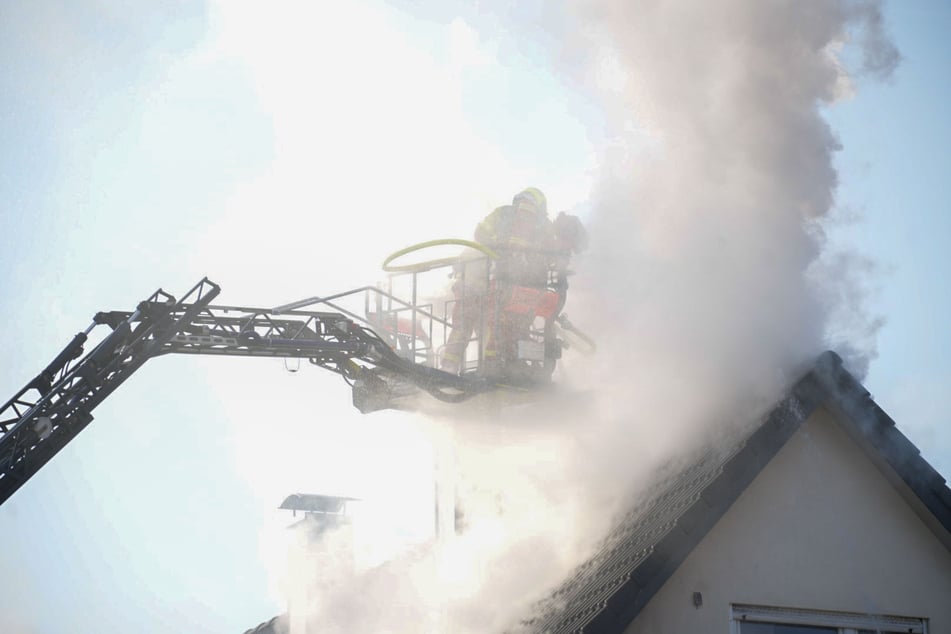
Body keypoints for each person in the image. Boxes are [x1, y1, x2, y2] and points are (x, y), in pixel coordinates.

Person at [441, 187, 560, 376]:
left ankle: (449, 367)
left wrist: (495, 249)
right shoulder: (540, 223)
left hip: (477, 282)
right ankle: (493, 366)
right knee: (498, 324)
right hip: (504, 284)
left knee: (466, 324)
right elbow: (550, 253)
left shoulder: (502, 213)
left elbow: (480, 233)